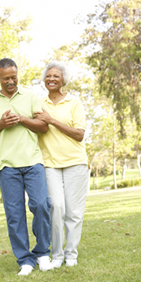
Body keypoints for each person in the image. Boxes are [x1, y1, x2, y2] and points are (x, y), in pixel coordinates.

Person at [0, 58, 52, 276]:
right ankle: (25, 260)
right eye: (6, 78)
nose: (11, 81)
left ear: (18, 75)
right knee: (15, 215)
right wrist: (0, 125)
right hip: (7, 167)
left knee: (40, 205)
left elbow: (44, 127)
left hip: (32, 162)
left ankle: (42, 253)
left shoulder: (30, 97)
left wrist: (21, 119)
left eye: (14, 77)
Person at [33, 61, 89, 268]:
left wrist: (52, 120)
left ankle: (71, 254)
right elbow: (15, 104)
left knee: (73, 211)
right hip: (49, 164)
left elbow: (79, 135)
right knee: (56, 207)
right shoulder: (37, 103)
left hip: (75, 162)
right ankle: (56, 255)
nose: (51, 79)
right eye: (48, 76)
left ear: (63, 80)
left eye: (56, 76)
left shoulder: (74, 102)